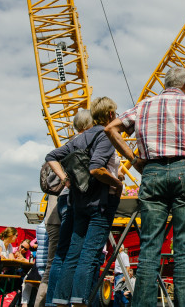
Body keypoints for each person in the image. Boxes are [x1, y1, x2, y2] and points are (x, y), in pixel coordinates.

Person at [105, 66, 185, 307]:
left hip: (152, 172)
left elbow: (111, 128)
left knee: (149, 248)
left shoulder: (143, 105)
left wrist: (134, 160)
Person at [48, 96, 123, 307]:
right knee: (90, 255)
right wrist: (117, 183)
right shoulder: (106, 135)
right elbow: (96, 168)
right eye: (115, 113)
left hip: (78, 202)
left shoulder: (78, 138)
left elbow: (52, 156)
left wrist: (65, 179)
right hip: (100, 202)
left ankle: (61, 299)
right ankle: (80, 301)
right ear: (109, 115)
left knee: (73, 254)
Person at [42, 109, 93, 307]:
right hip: (77, 198)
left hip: (64, 199)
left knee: (61, 254)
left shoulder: (68, 143)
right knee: (80, 254)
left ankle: (53, 302)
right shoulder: (85, 142)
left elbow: (51, 157)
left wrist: (64, 179)